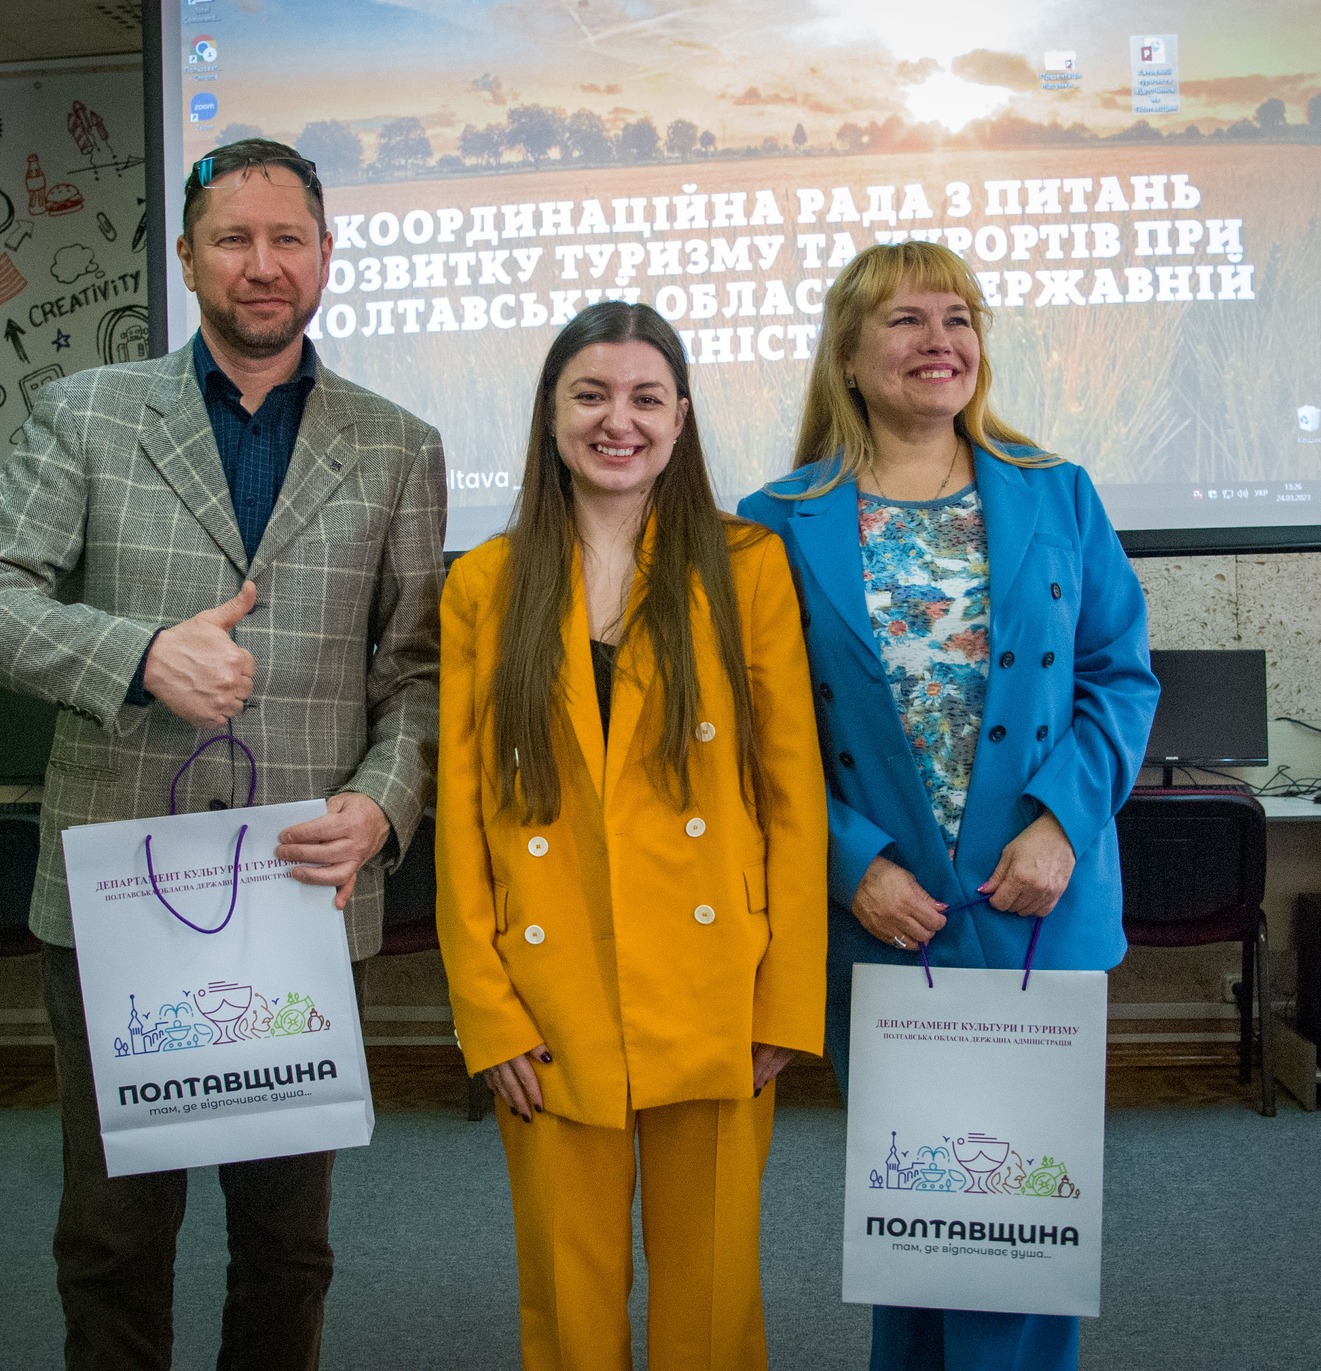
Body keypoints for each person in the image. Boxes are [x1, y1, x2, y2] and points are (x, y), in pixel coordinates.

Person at [0, 138, 444, 1371]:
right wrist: (135, 651)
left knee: (286, 1241)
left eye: (287, 240)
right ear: (188, 258)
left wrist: (380, 806)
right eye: (233, 241)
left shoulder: (398, 444)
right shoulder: (89, 413)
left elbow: (415, 673)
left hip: (301, 890)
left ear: (324, 255)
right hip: (118, 892)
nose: (262, 267)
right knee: (113, 1231)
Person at [739, 241, 1158, 1371]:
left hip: (1035, 898)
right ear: (846, 353)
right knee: (915, 1212)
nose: (939, 341)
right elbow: (749, 736)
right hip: (886, 912)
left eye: (958, 318)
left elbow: (1119, 677)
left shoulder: (1054, 491)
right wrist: (848, 865)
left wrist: (1062, 822)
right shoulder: (773, 519)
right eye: (906, 321)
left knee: (1018, 1221)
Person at [434, 301, 826, 1370]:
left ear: (681, 416)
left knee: (710, 1300)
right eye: (591, 394)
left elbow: (789, 796)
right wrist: (486, 1011)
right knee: (566, 1302)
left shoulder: (744, 566)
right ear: (550, 414)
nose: (620, 420)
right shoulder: (483, 582)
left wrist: (786, 993)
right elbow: (465, 816)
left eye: (646, 397)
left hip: (715, 986)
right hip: (548, 991)